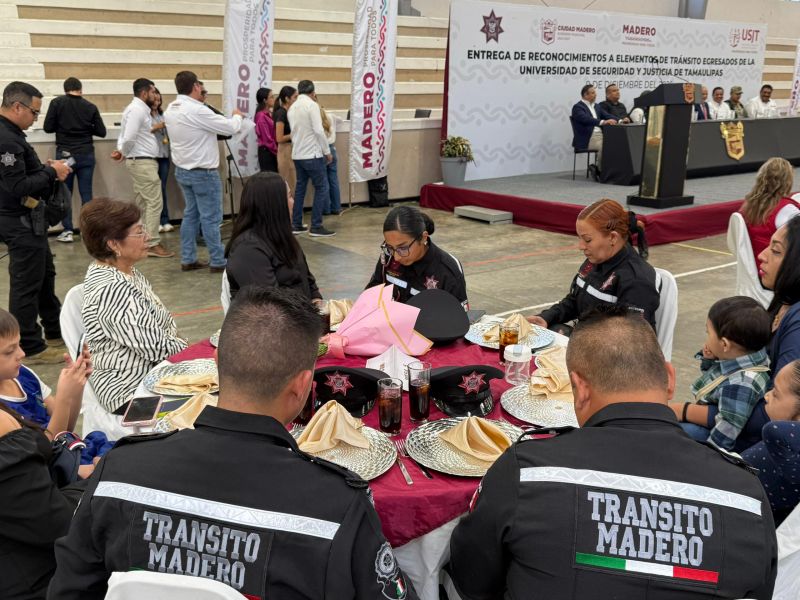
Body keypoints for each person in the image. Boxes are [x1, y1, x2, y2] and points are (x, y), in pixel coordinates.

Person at [48, 286, 418, 600]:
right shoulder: (336, 505)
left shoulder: (120, 471)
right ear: (302, 385)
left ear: (216, 360)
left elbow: (69, 588)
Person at [449, 307, 778, 600]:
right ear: (670, 379)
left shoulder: (527, 472)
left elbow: (473, 581)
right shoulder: (747, 496)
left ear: (580, 388)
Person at [0, 307, 95, 600]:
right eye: (9, 351)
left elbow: (57, 437)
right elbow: (55, 521)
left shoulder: (23, 377)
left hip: (54, 472)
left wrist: (74, 388)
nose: (21, 355)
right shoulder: (6, 436)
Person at [79, 198, 187, 417]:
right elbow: (158, 348)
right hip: (131, 394)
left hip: (153, 378)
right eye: (138, 232)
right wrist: (195, 352)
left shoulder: (126, 271)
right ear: (113, 244)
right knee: (217, 403)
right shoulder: (112, 289)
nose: (147, 237)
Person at [0, 81, 71, 364]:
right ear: (18, 106)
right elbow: (17, 186)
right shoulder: (6, 139)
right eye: (34, 112)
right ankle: (29, 345)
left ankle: (54, 329)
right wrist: (52, 173)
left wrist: (44, 169)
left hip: (27, 220)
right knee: (27, 283)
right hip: (18, 220)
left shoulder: (12, 134)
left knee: (43, 275)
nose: (36, 118)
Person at [528, 199, 659, 333]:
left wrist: (574, 341)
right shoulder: (595, 260)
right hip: (586, 339)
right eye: (579, 238)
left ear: (613, 238)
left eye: (587, 240)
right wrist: (547, 317)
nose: (580, 246)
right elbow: (575, 301)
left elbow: (631, 342)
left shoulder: (636, 281)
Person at [164, 70, 243, 273]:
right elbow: (230, 128)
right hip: (203, 173)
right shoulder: (197, 110)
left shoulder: (171, 108)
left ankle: (188, 258)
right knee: (210, 218)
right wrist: (237, 116)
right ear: (196, 86)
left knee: (191, 215)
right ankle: (218, 261)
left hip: (183, 170)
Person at [673, 296, 771, 451]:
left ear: (724, 344)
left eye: (708, 333)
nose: (707, 337)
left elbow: (727, 429)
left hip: (719, 440)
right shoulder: (751, 355)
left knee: (675, 433)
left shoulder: (742, 383)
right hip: (713, 419)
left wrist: (709, 458)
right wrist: (709, 359)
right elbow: (715, 378)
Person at [225, 172, 323, 303]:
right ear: (274, 204)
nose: (293, 202)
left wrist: (317, 301)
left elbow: (307, 279)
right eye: (289, 197)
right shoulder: (247, 248)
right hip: (275, 321)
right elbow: (269, 304)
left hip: (301, 316)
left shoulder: (282, 236)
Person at [112, 78, 173, 258]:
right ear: (144, 93)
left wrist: (123, 151)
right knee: (154, 202)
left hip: (141, 161)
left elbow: (125, 135)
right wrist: (124, 152)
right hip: (142, 162)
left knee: (145, 203)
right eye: (153, 92)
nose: (156, 95)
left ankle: (143, 242)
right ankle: (152, 242)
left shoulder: (138, 110)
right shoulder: (137, 110)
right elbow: (128, 137)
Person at [42, 77, 106, 243]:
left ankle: (68, 230)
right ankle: (88, 232)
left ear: (65, 89)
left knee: (65, 194)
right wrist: (85, 127)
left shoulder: (57, 103)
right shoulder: (90, 106)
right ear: (80, 89)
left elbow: (48, 127)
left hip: (65, 155)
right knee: (86, 194)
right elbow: (101, 131)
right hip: (86, 154)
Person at [366, 205, 467, 306]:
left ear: (423, 238)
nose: (396, 257)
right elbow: (374, 290)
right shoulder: (388, 254)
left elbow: (458, 318)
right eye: (390, 247)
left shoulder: (447, 271)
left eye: (403, 248)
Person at [741, 361, 800, 525]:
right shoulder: (790, 443)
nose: (767, 396)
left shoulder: (785, 440)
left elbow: (773, 430)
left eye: (776, 393)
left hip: (743, 511)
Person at [288, 79, 334, 237]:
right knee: (322, 187)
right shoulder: (312, 105)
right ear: (313, 92)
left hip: (297, 154)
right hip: (312, 154)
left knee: (300, 189)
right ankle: (316, 225)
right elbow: (318, 130)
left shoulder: (292, 107)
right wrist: (327, 151)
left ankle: (296, 224)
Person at [758, 218, 800, 381]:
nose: (761, 255)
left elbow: (780, 402)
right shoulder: (784, 299)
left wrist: (685, 408)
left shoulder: (797, 324)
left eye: (775, 251)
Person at [740, 157, 799, 265]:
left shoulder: (748, 206)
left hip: (759, 268)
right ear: (787, 181)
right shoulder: (786, 209)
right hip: (782, 273)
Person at [570, 84, 617, 181]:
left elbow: (607, 115)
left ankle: (607, 171)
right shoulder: (578, 107)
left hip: (601, 135)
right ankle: (601, 172)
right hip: (588, 138)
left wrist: (620, 120)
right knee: (605, 147)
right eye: (592, 93)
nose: (595, 95)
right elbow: (586, 119)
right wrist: (603, 122)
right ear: (585, 95)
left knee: (616, 145)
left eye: (595, 93)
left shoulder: (597, 106)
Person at [149, 87, 173, 233]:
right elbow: (147, 129)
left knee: (162, 188)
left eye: (159, 100)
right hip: (152, 156)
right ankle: (155, 221)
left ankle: (165, 219)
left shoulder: (164, 114)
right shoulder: (145, 115)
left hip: (164, 155)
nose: (157, 102)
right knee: (153, 190)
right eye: (154, 99)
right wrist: (160, 125)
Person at [274, 85, 297, 198]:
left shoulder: (289, 113)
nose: (297, 100)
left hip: (290, 149)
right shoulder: (281, 113)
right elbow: (279, 138)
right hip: (285, 151)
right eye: (295, 97)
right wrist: (294, 134)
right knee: (289, 184)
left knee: (293, 183)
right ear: (287, 99)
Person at [319, 101, 342, 215]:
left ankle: (326, 209)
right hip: (332, 149)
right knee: (333, 180)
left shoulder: (316, 119)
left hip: (321, 151)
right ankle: (337, 207)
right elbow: (341, 120)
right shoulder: (331, 116)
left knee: (323, 181)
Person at [254, 87, 278, 173]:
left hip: (271, 151)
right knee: (270, 180)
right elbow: (267, 139)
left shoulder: (269, 114)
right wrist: (277, 151)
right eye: (271, 97)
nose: (274, 99)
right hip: (267, 152)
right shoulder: (261, 116)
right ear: (265, 100)